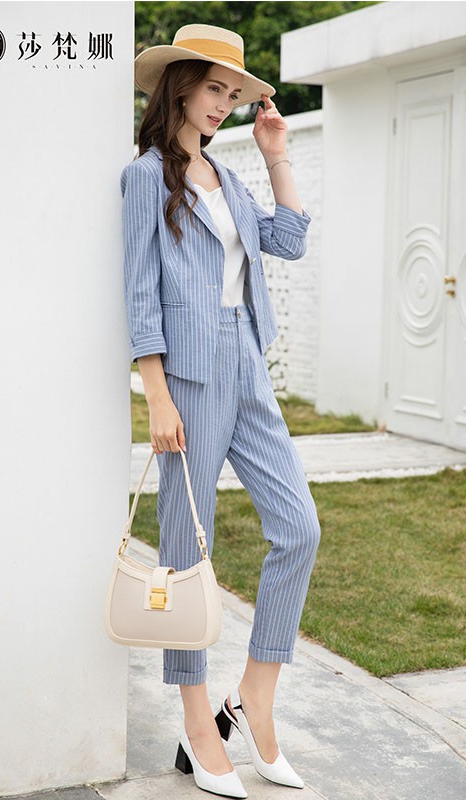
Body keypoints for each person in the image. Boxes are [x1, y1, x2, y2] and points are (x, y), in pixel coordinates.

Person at [121, 23, 321, 798]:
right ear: (180, 85)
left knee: (299, 528)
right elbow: (140, 292)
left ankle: (254, 702)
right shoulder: (146, 177)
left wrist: (275, 156)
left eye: (233, 95)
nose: (223, 105)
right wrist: (157, 394)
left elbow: (290, 241)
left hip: (247, 368)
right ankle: (197, 721)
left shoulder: (230, 178)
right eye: (215, 89)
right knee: (185, 549)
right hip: (189, 377)